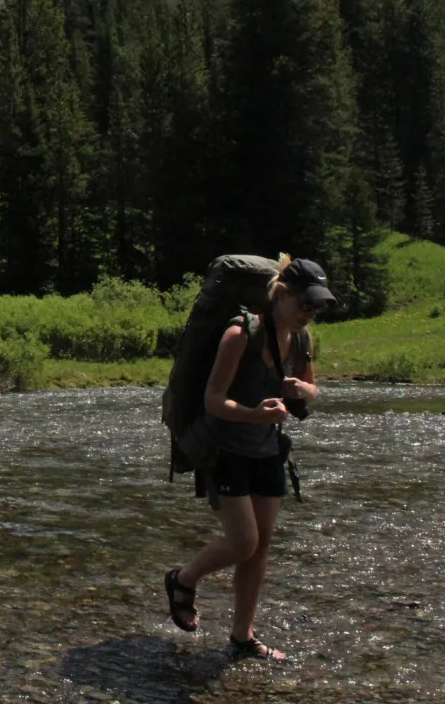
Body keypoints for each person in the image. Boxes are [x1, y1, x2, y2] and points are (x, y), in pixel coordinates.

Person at [163, 256, 335, 662]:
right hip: (224, 447)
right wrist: (255, 413)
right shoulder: (241, 334)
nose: (310, 312)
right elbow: (213, 400)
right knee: (243, 541)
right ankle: (182, 579)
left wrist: (300, 391)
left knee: (260, 548)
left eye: (317, 306)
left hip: (267, 450)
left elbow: (313, 390)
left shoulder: (303, 340)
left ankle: (243, 635)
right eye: (305, 303)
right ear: (282, 294)